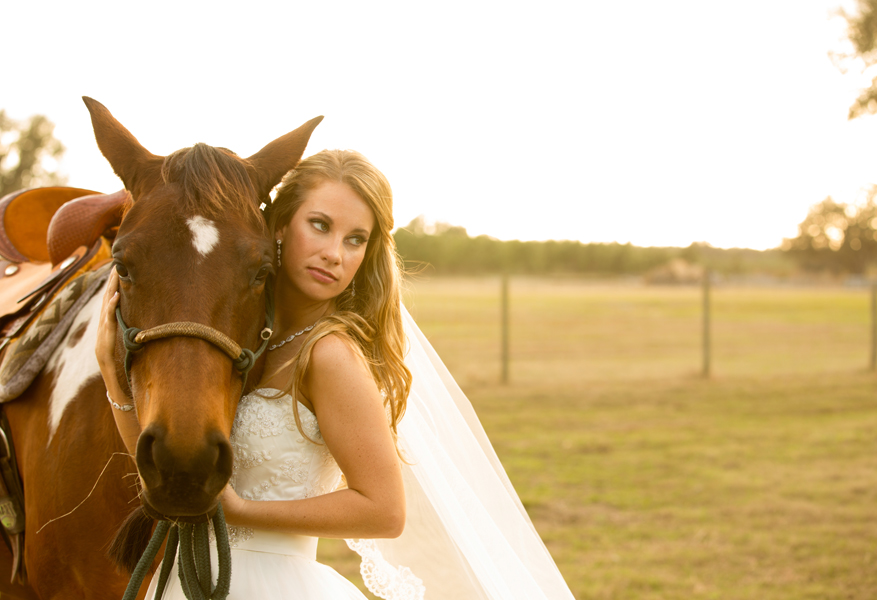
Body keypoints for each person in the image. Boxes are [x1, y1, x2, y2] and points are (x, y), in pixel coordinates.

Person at [98, 150, 575, 599]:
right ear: (280, 226)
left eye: (355, 240)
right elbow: (159, 465)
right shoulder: (248, 343)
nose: (334, 253)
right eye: (320, 226)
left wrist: (244, 512)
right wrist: (111, 374)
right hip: (189, 583)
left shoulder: (328, 354)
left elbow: (385, 510)